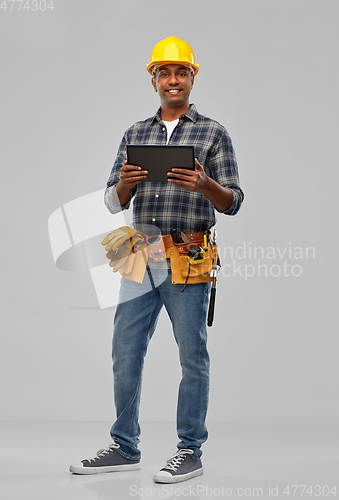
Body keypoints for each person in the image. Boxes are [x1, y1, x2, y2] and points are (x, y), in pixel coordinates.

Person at [69, 36, 244, 483]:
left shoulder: (213, 133)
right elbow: (112, 202)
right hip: (138, 255)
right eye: (163, 73)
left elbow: (233, 202)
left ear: (192, 77)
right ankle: (124, 447)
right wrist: (125, 184)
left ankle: (190, 450)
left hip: (189, 257)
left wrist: (204, 183)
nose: (172, 80)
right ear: (153, 80)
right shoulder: (135, 134)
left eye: (180, 72)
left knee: (192, 356)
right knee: (125, 352)